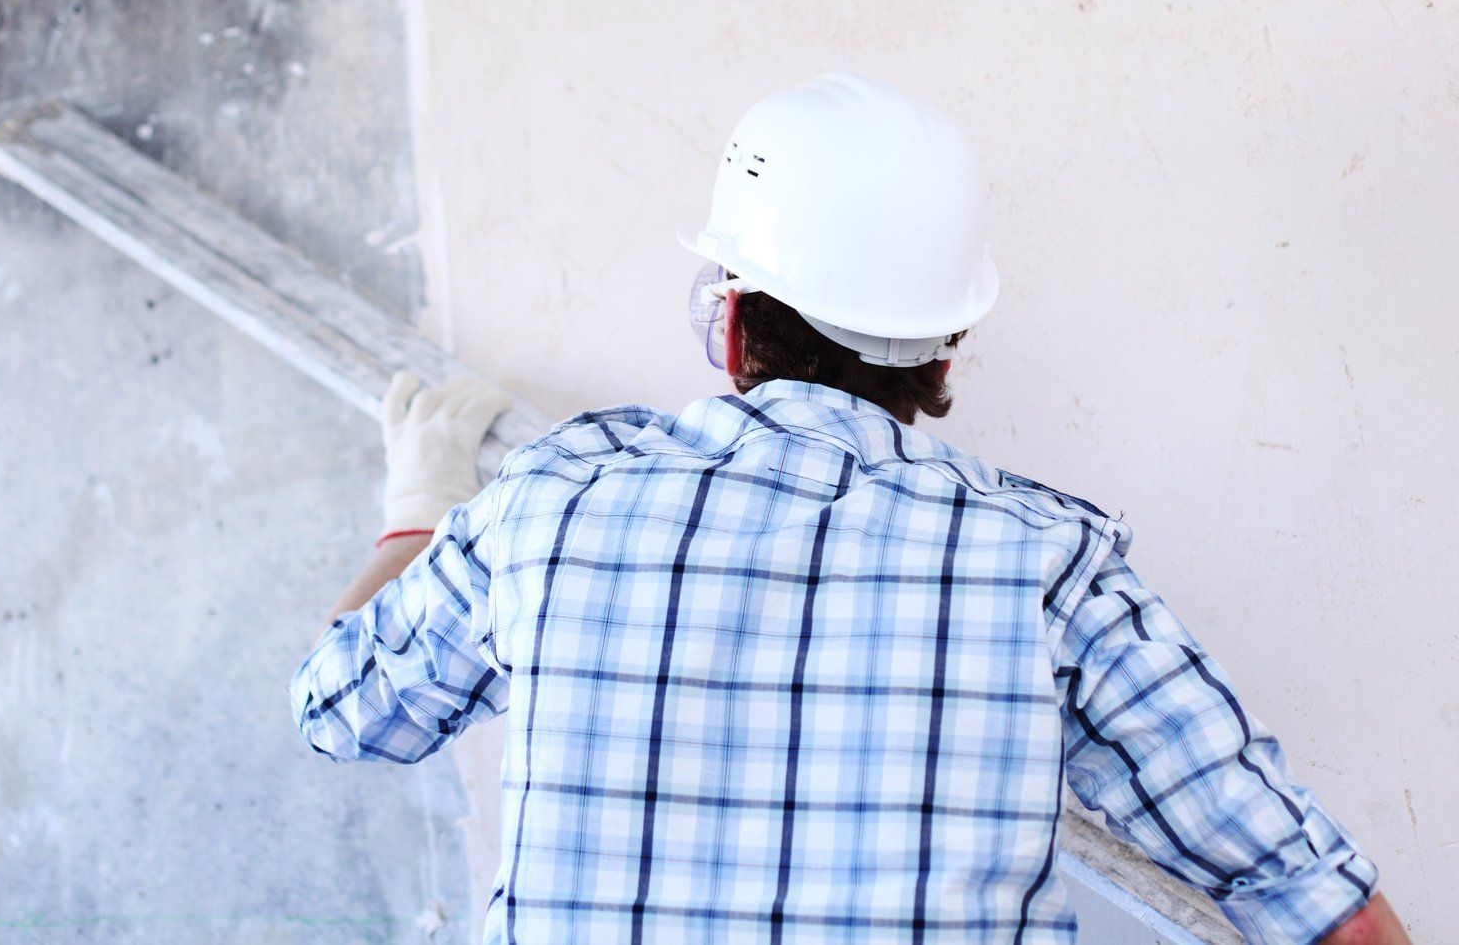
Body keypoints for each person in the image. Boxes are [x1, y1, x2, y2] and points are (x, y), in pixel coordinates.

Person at [290, 74, 1407, 943]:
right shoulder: (1046, 567)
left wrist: (422, 507)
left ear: (730, 323)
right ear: (944, 344)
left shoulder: (553, 503)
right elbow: (1318, 901)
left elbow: (342, 705)